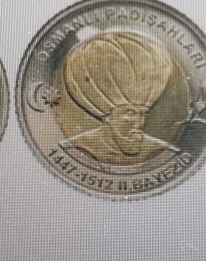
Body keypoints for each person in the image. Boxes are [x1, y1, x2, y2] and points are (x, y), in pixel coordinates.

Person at [60, 31, 177, 166]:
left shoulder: (161, 151)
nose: (140, 123)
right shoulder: (74, 150)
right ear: (106, 116)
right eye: (130, 113)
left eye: (144, 113)